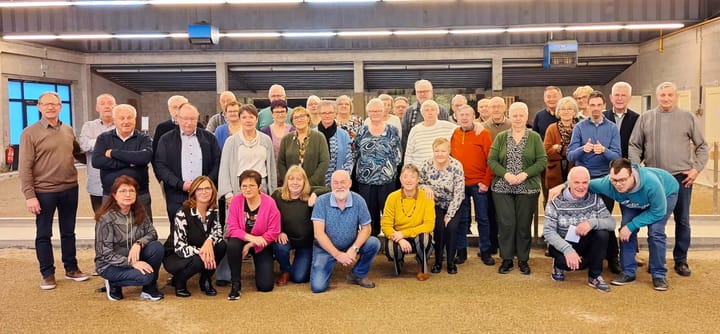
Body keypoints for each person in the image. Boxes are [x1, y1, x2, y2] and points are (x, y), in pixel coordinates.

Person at [548, 158, 679, 291]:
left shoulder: (652, 183)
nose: (618, 184)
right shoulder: (608, 183)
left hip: (665, 194)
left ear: (632, 175)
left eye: (622, 180)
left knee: (655, 231)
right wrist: (562, 186)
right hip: (632, 200)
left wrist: (632, 225)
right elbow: (582, 183)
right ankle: (628, 272)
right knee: (625, 230)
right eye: (614, 180)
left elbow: (658, 211)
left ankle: (658, 274)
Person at [628, 81, 709, 277]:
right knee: (655, 221)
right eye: (662, 95)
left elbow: (702, 146)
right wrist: (637, 170)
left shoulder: (687, 117)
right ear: (657, 96)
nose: (666, 98)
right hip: (654, 179)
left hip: (681, 178)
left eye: (670, 95)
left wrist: (696, 169)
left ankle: (681, 260)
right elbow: (634, 145)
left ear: (676, 96)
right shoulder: (646, 118)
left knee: (682, 220)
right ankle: (657, 260)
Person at [20, 91, 89, 290]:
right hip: (44, 192)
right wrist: (29, 195)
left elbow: (79, 154)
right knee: (43, 234)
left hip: (69, 188)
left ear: (61, 106)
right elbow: (25, 167)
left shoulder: (68, 130)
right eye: (46, 104)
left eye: (55, 104)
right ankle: (47, 273)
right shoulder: (29, 133)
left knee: (68, 232)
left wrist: (101, 159)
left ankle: (71, 268)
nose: (51, 107)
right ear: (39, 107)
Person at [488, 102, 547, 275]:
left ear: (526, 117)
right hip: (502, 187)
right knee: (507, 224)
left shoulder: (534, 137)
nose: (518, 118)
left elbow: (542, 160)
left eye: (521, 115)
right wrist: (505, 174)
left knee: (523, 225)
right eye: (515, 115)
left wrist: (525, 174)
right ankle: (506, 259)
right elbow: (491, 160)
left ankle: (523, 259)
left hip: (527, 188)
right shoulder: (501, 137)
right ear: (510, 117)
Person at [566, 90, 622, 274]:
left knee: (604, 219)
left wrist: (604, 150)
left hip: (606, 181)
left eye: (599, 105)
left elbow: (617, 157)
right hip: (584, 181)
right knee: (579, 219)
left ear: (604, 106)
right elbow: (570, 155)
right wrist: (584, 148)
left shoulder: (612, 128)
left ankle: (613, 257)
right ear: (587, 107)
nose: (596, 109)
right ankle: (581, 255)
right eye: (592, 105)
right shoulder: (580, 127)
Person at [544, 167, 614, 292]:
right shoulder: (555, 201)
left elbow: (611, 223)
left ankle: (594, 276)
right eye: (576, 182)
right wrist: (568, 250)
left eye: (585, 182)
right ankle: (558, 266)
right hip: (563, 244)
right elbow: (548, 232)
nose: (581, 186)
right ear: (568, 183)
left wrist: (591, 223)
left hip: (585, 242)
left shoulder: (595, 198)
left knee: (603, 234)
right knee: (567, 264)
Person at [94, 175, 164, 301]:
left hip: (134, 256)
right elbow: (105, 253)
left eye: (131, 191)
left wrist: (139, 244)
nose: (128, 195)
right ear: (114, 195)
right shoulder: (106, 219)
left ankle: (149, 289)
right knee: (146, 276)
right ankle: (113, 282)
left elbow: (152, 233)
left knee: (157, 247)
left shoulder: (139, 212)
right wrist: (133, 263)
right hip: (110, 265)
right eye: (123, 191)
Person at [310, 170, 381, 293]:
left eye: (343, 182)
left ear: (350, 183)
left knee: (374, 243)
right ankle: (327, 266)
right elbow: (318, 234)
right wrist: (337, 255)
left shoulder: (359, 201)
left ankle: (358, 273)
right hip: (325, 248)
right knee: (318, 287)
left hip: (350, 243)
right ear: (331, 185)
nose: (339, 186)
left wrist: (354, 249)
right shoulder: (321, 201)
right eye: (335, 183)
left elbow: (366, 228)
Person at [154, 102, 221, 224]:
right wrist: (180, 184)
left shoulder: (209, 138)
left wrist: (205, 183)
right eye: (185, 119)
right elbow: (160, 165)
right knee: (178, 230)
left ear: (197, 119)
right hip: (176, 194)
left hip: (204, 193)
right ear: (177, 118)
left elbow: (217, 162)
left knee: (205, 228)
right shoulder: (166, 139)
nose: (189, 123)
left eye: (192, 119)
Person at [163, 176, 226, 298]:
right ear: (193, 193)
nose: (204, 192)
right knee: (199, 259)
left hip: (199, 249)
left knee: (221, 246)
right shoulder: (183, 212)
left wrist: (209, 241)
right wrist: (203, 251)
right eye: (199, 189)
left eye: (207, 188)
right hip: (176, 255)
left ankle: (205, 279)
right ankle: (179, 282)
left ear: (213, 191)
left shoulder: (214, 210)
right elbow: (180, 247)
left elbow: (218, 233)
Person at [225, 170, 281, 300]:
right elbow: (232, 228)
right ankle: (235, 284)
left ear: (259, 187)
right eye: (244, 186)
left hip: (262, 242)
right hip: (242, 238)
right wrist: (251, 238)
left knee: (265, 286)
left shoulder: (270, 203)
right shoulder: (236, 201)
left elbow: (274, 231)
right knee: (233, 245)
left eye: (252, 186)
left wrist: (251, 244)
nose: (248, 189)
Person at [451, 104, 494, 266]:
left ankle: (485, 251)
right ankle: (461, 252)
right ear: (456, 117)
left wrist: (486, 181)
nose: (464, 117)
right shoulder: (454, 133)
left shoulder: (483, 133)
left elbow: (491, 159)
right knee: (462, 219)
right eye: (461, 115)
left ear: (473, 116)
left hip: (479, 183)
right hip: (460, 184)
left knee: (483, 219)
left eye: (467, 114)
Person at [93, 104, 154, 219]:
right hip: (111, 195)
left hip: (140, 194)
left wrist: (113, 153)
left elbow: (145, 157)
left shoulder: (143, 138)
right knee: (108, 230)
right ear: (114, 120)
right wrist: (131, 162)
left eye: (129, 118)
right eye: (122, 118)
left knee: (144, 229)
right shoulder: (103, 138)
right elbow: (97, 161)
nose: (126, 121)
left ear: (135, 120)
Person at [272, 166, 329, 285]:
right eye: (291, 179)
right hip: (286, 239)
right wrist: (279, 231)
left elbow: (330, 190)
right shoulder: (277, 195)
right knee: (279, 247)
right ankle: (285, 270)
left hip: (305, 243)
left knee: (299, 278)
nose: (295, 182)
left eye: (299, 179)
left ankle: (301, 264)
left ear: (304, 182)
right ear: (286, 181)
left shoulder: (309, 194)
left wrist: (315, 193)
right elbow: (270, 216)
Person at [354, 98, 402, 236]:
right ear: (368, 112)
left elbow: (398, 154)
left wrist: (388, 169)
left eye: (378, 110)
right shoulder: (362, 131)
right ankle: (371, 244)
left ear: (384, 112)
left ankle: (391, 247)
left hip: (387, 180)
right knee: (369, 215)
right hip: (365, 180)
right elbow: (356, 152)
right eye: (372, 111)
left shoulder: (392, 130)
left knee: (389, 214)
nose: (375, 113)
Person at [381, 164, 435, 281]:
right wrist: (400, 239)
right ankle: (398, 260)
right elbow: (386, 225)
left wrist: (404, 234)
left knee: (424, 240)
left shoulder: (426, 197)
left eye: (412, 177)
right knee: (391, 249)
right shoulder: (392, 197)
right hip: (398, 236)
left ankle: (421, 264)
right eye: (405, 177)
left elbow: (429, 225)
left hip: (418, 234)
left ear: (418, 180)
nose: (408, 180)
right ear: (400, 179)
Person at [420, 138, 465, 274]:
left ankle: (451, 262)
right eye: (437, 151)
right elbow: (419, 181)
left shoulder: (456, 166)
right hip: (435, 204)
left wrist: (449, 214)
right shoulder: (427, 164)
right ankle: (438, 261)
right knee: (439, 228)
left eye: (443, 151)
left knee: (451, 227)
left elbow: (459, 192)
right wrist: (425, 187)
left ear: (449, 151)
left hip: (453, 204)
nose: (440, 154)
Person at [218, 104, 277, 197]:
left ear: (257, 119)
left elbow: (271, 168)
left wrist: (273, 191)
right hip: (238, 188)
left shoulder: (266, 140)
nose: (248, 120)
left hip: (262, 187)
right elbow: (224, 169)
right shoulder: (231, 142)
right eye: (244, 117)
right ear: (240, 119)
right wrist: (228, 194)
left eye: (251, 117)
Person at [79, 93, 116, 213]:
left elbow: (125, 146)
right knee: (100, 220)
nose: (107, 106)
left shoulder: (122, 124)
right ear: (97, 108)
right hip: (96, 182)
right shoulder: (89, 126)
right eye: (102, 103)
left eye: (110, 103)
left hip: (119, 181)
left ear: (116, 106)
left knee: (121, 221)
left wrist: (96, 143)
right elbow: (85, 145)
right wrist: (109, 143)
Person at [278, 107, 330, 187]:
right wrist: (289, 182)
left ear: (308, 119)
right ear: (292, 121)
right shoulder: (286, 139)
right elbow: (281, 163)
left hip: (315, 186)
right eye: (296, 118)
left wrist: (310, 183)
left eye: (302, 116)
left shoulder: (319, 137)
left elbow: (324, 162)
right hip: (292, 187)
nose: (299, 120)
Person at [404, 100, 457, 168]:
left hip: (442, 172)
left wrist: (475, 125)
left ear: (437, 112)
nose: (430, 113)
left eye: (433, 110)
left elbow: (464, 128)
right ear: (422, 113)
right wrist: (407, 170)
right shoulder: (415, 130)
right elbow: (408, 154)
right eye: (426, 110)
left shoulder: (448, 127)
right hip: (419, 171)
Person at [401, 79, 450, 149]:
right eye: (419, 92)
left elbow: (447, 132)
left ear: (431, 92)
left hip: (438, 153)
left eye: (425, 91)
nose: (422, 94)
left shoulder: (442, 110)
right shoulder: (409, 112)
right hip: (417, 153)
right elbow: (405, 136)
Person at [543, 96, 577, 190]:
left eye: (569, 109)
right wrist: (570, 152)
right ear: (558, 112)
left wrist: (559, 148)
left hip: (574, 172)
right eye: (563, 109)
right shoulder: (551, 128)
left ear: (574, 112)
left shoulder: (579, 128)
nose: (566, 111)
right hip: (554, 174)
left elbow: (580, 151)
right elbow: (547, 152)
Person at [317, 100, 354, 186]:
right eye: (324, 113)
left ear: (335, 114)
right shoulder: (312, 134)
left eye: (330, 112)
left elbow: (349, 160)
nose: (327, 115)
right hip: (317, 183)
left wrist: (342, 179)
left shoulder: (343, 134)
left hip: (339, 183)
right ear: (319, 114)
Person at [603, 82, 639, 159]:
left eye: (623, 95)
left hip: (627, 164)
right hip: (605, 164)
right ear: (611, 97)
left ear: (630, 98)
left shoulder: (637, 119)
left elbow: (639, 145)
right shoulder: (602, 117)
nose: (619, 98)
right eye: (616, 95)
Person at [152, 95, 188, 160]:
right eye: (175, 107)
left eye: (181, 107)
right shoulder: (161, 128)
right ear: (169, 109)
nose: (178, 110)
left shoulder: (197, 126)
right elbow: (155, 153)